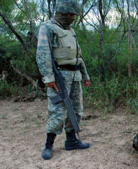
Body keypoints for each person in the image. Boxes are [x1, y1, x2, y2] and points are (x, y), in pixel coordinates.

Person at [36, 0, 91, 160]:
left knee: (76, 110)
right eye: (71, 15)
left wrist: (85, 75)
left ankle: (71, 141)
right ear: (62, 13)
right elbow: (42, 53)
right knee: (57, 112)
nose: (73, 18)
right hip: (59, 77)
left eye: (74, 15)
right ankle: (48, 145)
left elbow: (77, 56)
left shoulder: (71, 31)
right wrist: (48, 77)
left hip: (75, 77)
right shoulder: (47, 28)